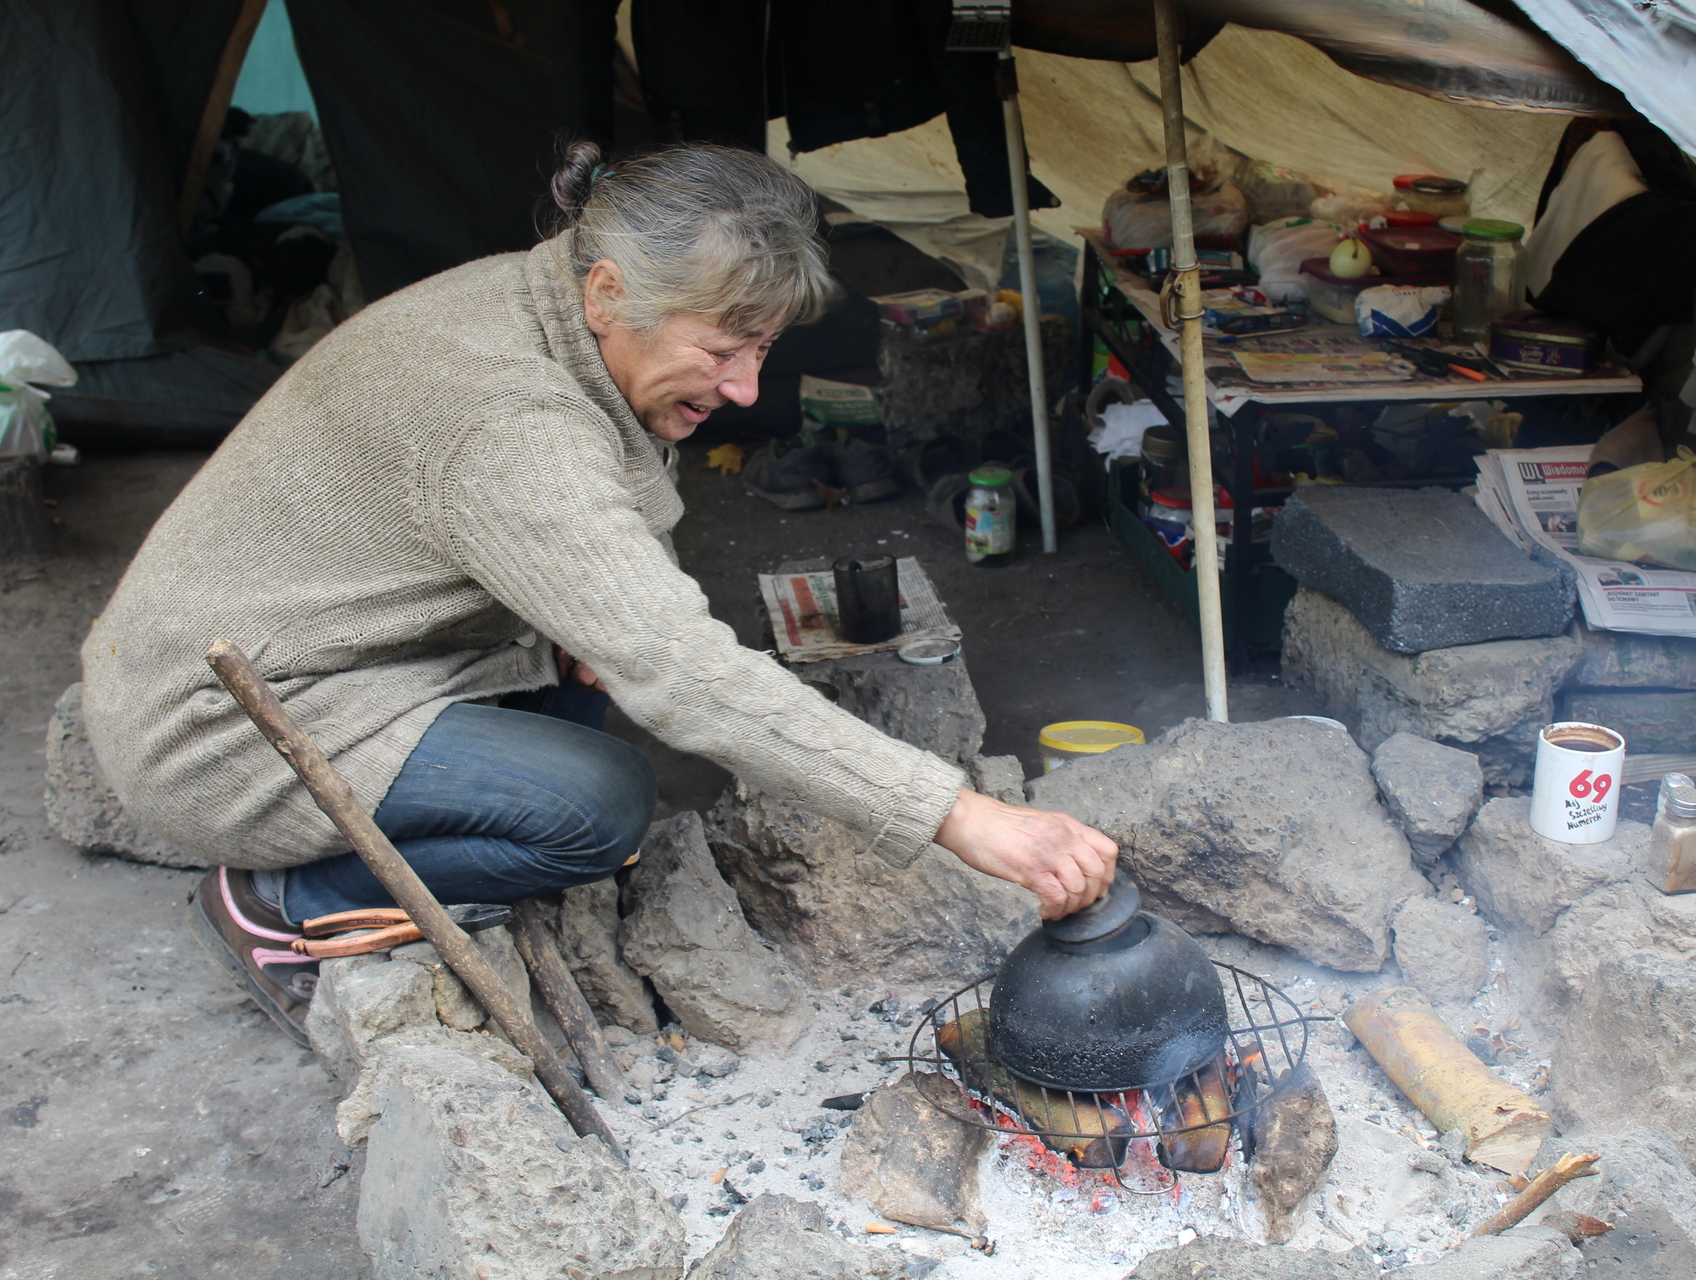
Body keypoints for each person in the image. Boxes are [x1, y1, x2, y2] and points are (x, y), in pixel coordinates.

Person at [80, 143, 1118, 1049]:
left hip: (324, 652)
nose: (749, 388)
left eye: (760, 348)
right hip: (222, 728)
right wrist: (955, 812)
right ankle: (280, 897)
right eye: (722, 350)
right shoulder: (508, 423)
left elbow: (601, 554)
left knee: (589, 694)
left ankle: (362, 845)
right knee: (599, 806)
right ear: (607, 293)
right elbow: (686, 676)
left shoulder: (546, 296)